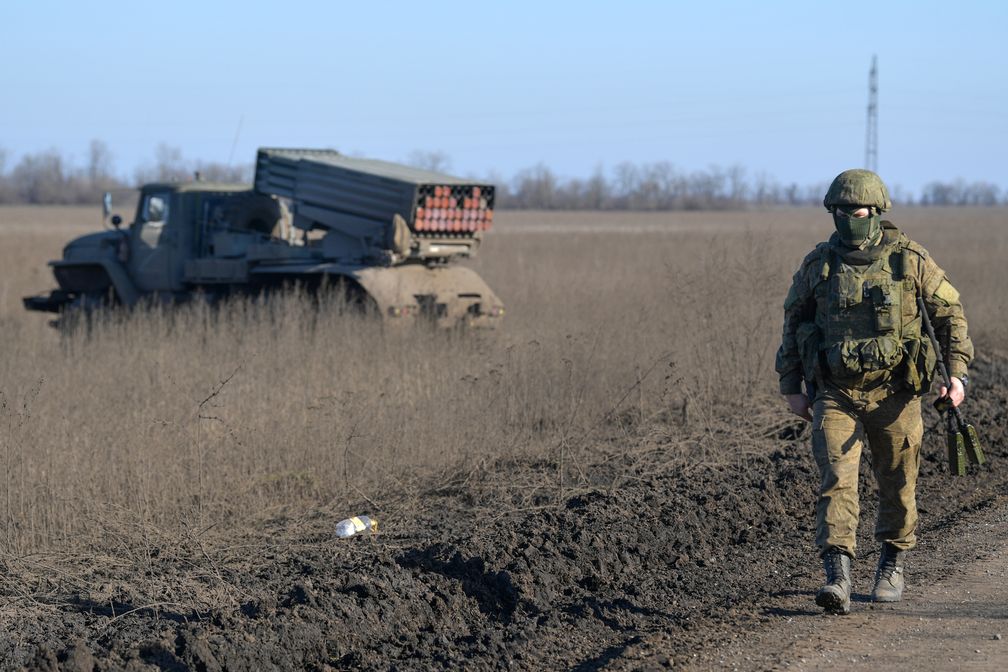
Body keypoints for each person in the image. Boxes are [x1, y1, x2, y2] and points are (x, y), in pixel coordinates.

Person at [775, 169, 972, 615]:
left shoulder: (910, 260)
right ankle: (837, 576)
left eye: (858, 211)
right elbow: (793, 322)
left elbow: (950, 316)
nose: (849, 219)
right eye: (840, 211)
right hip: (835, 392)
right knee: (837, 482)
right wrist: (791, 385)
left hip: (895, 393)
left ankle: (892, 563)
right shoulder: (819, 265)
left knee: (898, 482)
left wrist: (955, 375)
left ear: (877, 212)